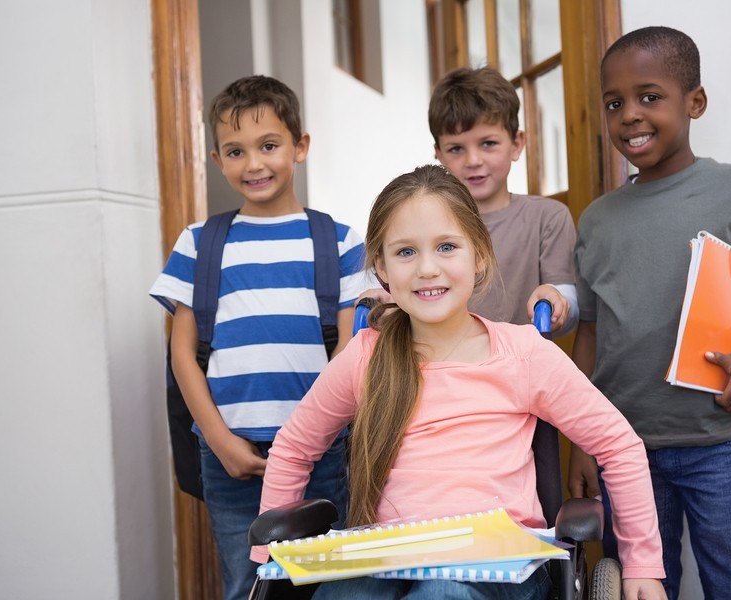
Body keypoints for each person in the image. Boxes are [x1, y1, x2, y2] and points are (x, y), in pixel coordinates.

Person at [252, 165, 666, 600]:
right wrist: (266, 561)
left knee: (441, 593)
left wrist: (642, 564)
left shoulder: (522, 354)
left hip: (505, 566)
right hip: (388, 557)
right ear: (382, 269)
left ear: (479, 255)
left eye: (447, 247)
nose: (427, 268)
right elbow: (294, 448)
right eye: (406, 252)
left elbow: (618, 444)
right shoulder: (365, 357)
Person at [568, 26, 731, 600]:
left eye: (650, 97)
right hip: (624, 451)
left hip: (721, 441)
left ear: (694, 102)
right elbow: (591, 330)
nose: (630, 116)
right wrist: (581, 441)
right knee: (641, 590)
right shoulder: (596, 219)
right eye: (615, 103)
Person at [149, 75, 366, 600]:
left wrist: (313, 438)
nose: (254, 164)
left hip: (321, 451)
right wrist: (220, 442)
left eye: (269, 145)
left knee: (325, 581)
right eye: (235, 151)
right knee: (250, 584)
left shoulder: (338, 240)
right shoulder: (199, 243)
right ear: (217, 159)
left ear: (300, 147)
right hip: (231, 458)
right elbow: (182, 355)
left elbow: (351, 350)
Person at [428, 66, 578, 333]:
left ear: (517, 144)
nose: (473, 161)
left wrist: (556, 300)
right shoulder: (424, 222)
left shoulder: (548, 218)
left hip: (523, 370)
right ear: (439, 154)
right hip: (442, 369)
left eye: (488, 143)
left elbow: (568, 307)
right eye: (456, 149)